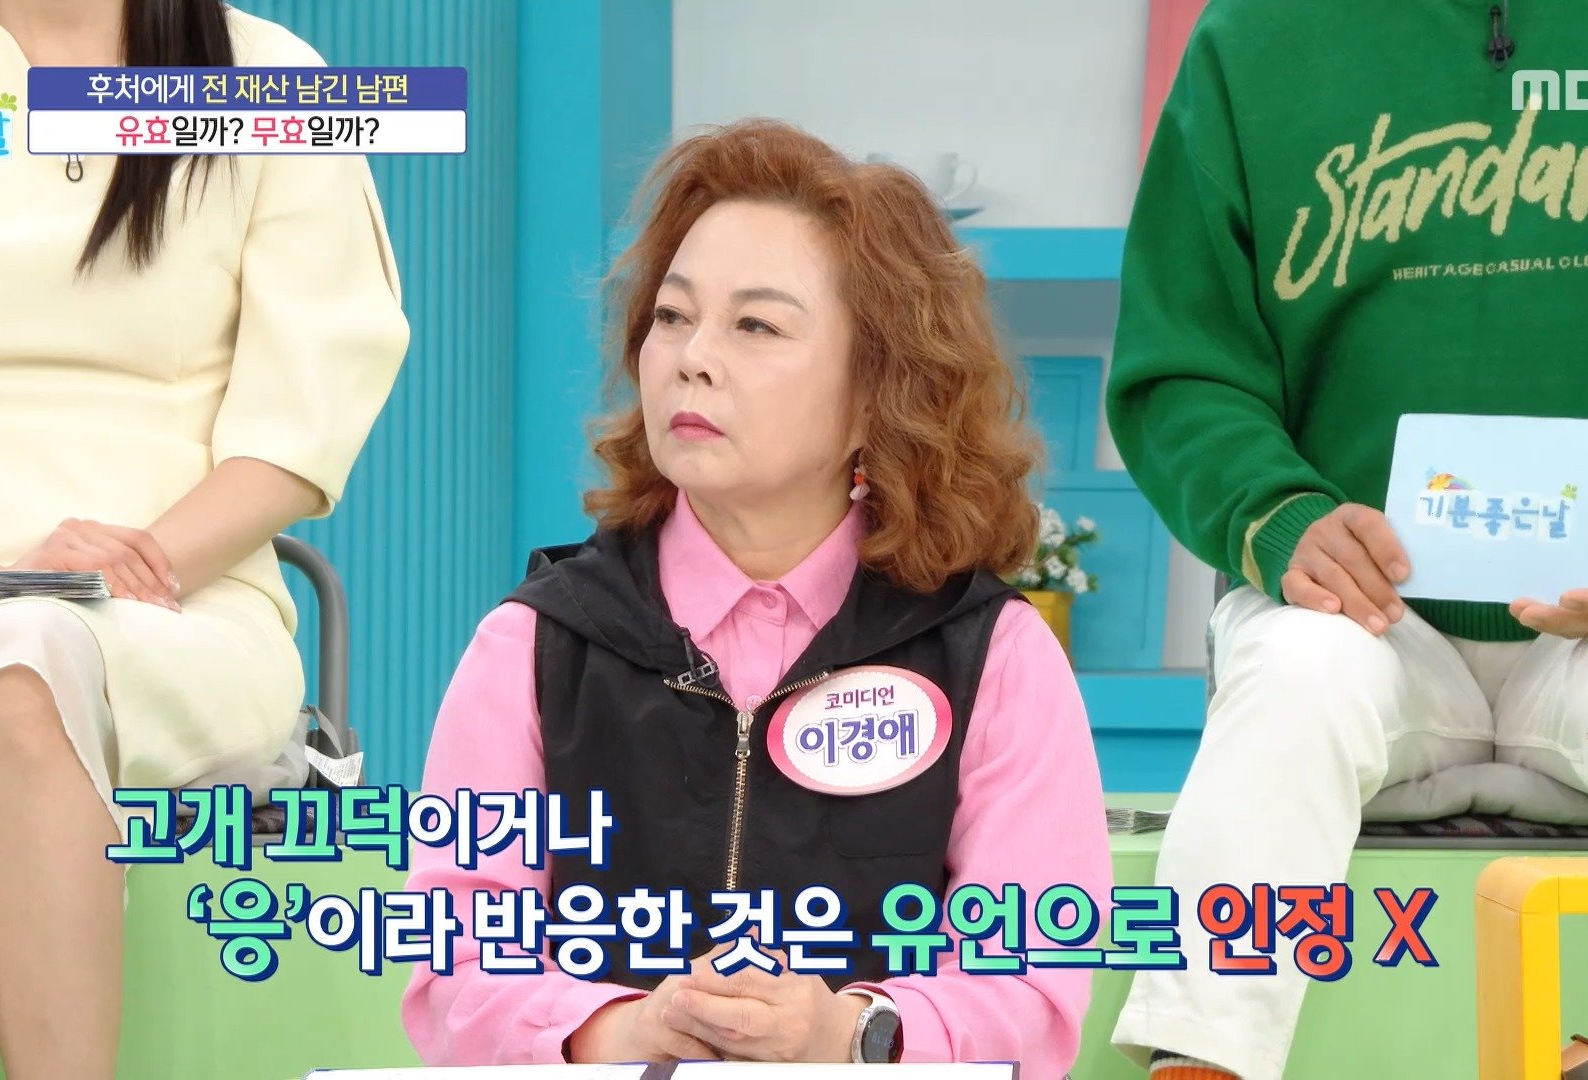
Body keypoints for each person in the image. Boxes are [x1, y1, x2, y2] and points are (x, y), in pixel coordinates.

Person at [400, 118, 1109, 1072]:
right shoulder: (535, 644)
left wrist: (844, 1035)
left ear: (878, 389)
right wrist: (628, 1031)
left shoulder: (993, 656)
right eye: (672, 316)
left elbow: (1028, 979)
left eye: (756, 326)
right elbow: (455, 961)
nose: (691, 357)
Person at [1105, 1, 1588, 1077]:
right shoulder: (1254, 36)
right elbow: (1181, 362)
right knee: (1295, 681)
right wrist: (1280, 516)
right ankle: (1200, 1061)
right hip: (1356, 617)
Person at [0, 0, 408, 1076]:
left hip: (176, 594)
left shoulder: (267, 74)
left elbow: (300, 430)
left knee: (24, 666)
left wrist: (107, 576)